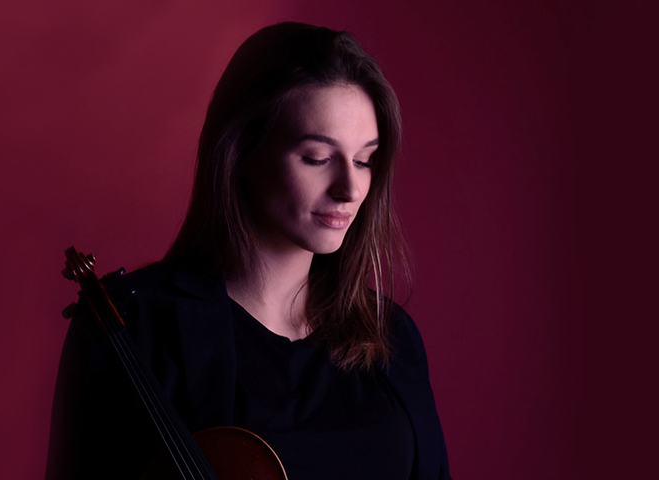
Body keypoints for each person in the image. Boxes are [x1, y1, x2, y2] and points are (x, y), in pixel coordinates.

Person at [46, 22, 452, 480]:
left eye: (365, 160)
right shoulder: (133, 326)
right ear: (241, 153)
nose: (350, 188)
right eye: (318, 158)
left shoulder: (391, 336)